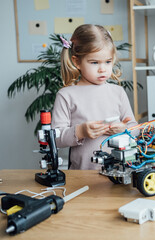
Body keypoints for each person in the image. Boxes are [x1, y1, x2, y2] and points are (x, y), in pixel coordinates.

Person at [52, 24, 137, 170]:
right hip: (82, 177)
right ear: (77, 61)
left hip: (119, 173)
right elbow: (55, 138)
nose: (102, 69)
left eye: (108, 62)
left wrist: (124, 129)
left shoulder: (118, 92)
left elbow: (135, 128)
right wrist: (80, 132)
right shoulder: (66, 95)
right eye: (94, 62)